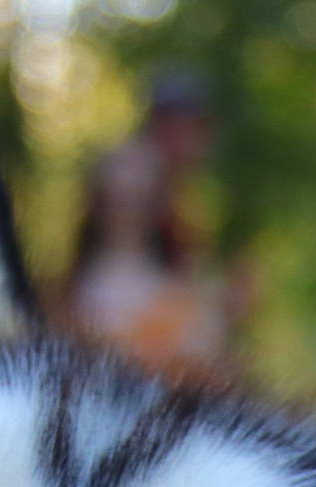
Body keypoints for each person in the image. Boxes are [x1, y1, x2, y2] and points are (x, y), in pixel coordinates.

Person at [58, 138, 230, 377]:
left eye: (139, 196)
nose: (127, 209)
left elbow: (207, 365)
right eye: (116, 196)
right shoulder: (63, 295)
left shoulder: (186, 289)